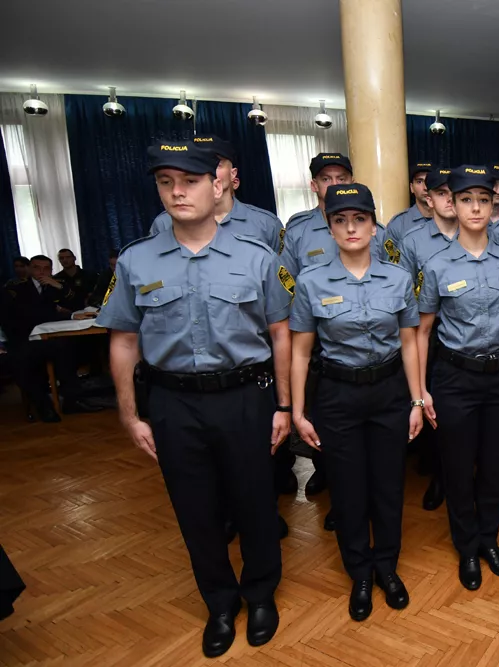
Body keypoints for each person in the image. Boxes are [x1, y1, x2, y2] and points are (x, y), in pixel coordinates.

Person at [97, 141, 291, 657]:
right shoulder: (137, 260)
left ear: (217, 183)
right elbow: (123, 340)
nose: (177, 192)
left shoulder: (257, 257)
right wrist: (129, 414)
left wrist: (285, 407)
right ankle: (220, 603)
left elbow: (281, 334)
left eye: (189, 181)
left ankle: (261, 594)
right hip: (173, 401)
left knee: (255, 501)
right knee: (195, 509)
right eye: (166, 182)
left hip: (245, 396)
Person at [289, 183, 423, 622]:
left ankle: (387, 565)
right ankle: (360, 572)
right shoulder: (310, 282)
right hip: (338, 395)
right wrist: (297, 411)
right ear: (329, 227)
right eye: (340, 220)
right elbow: (301, 352)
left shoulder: (398, 279)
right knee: (347, 490)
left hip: (389, 392)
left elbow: (409, 343)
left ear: (373, 225)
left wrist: (416, 401)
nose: (351, 228)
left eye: (359, 219)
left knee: (388, 485)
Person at [415, 165, 499, 590]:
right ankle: (466, 547)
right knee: (459, 466)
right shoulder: (436, 265)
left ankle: (489, 540)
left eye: (483, 199)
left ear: (493, 201)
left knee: (496, 464)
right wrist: (421, 391)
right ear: (452, 204)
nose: (476, 208)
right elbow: (423, 331)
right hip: (455, 377)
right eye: (467, 200)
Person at [279, 152, 357, 503]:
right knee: (321, 413)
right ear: (314, 185)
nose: (335, 184)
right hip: (315, 342)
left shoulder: (373, 228)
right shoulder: (298, 230)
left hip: (359, 338)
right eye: (327, 179)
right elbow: (286, 281)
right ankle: (323, 470)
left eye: (342, 178)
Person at [398, 167, 457, 512]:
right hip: (428, 336)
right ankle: (440, 476)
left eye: (454, 193)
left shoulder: (480, 233)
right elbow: (404, 295)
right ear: (429, 199)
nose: (449, 199)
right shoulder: (413, 241)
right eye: (441, 193)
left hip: (469, 335)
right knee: (435, 409)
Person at [5, 255, 101, 421]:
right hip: (24, 339)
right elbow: (33, 315)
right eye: (37, 268)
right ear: (29, 269)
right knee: (59, 349)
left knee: (74, 346)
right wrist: (69, 316)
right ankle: (52, 404)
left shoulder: (53, 285)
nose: (41, 272)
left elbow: (79, 304)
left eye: (46, 269)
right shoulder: (17, 289)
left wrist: (59, 286)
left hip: (50, 337)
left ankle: (72, 399)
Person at [149, 135, 283, 254]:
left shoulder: (266, 224)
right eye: (197, 164)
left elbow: (280, 271)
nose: (208, 171)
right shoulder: (163, 223)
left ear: (233, 173)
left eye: (216, 164)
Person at [385, 161, 434, 249]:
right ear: (412, 188)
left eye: (429, 181)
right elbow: (391, 255)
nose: (425, 187)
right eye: (419, 182)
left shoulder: (450, 219)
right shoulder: (398, 224)